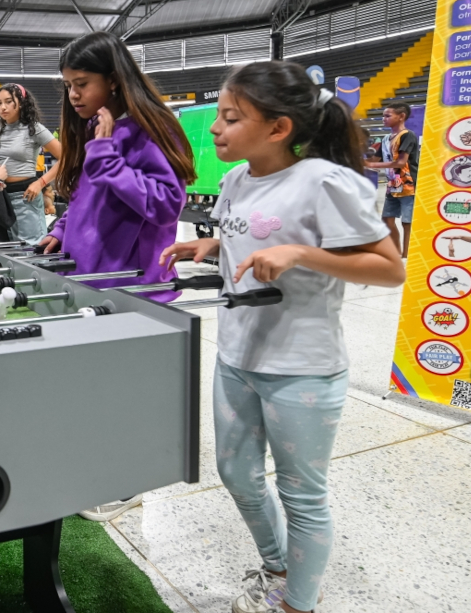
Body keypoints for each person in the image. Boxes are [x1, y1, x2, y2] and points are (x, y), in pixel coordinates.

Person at [160, 62, 404, 613]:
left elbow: (390, 269)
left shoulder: (325, 182)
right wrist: (215, 248)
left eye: (230, 117)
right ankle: (277, 566)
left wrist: (301, 255)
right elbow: (254, 235)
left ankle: (297, 603)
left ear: (278, 129)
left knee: (303, 496)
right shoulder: (235, 179)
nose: (216, 129)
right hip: (237, 355)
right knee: (236, 473)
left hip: (304, 370)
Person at [34, 32, 194, 525]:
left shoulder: (148, 129)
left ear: (114, 81)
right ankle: (95, 462)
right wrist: (61, 230)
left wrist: (105, 157)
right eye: (68, 86)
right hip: (95, 281)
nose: (74, 95)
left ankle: (126, 483)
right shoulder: (104, 131)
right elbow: (88, 197)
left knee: (126, 394)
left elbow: (167, 202)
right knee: (95, 389)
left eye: (82, 83)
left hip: (133, 285)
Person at [0, 83, 62, 245]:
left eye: (8, 101)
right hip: (0, 197)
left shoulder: (34, 128)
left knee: (30, 248)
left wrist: (41, 182)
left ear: (21, 102)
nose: (3, 107)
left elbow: (65, 158)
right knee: (4, 248)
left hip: (25, 197)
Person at [364, 102, 417, 257]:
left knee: (407, 223)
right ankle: (395, 253)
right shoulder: (386, 138)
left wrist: (372, 163)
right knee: (387, 220)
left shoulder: (407, 135)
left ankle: (407, 256)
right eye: (383, 115)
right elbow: (374, 158)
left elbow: (401, 162)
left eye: (387, 115)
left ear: (401, 117)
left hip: (409, 185)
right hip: (392, 185)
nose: (383, 119)